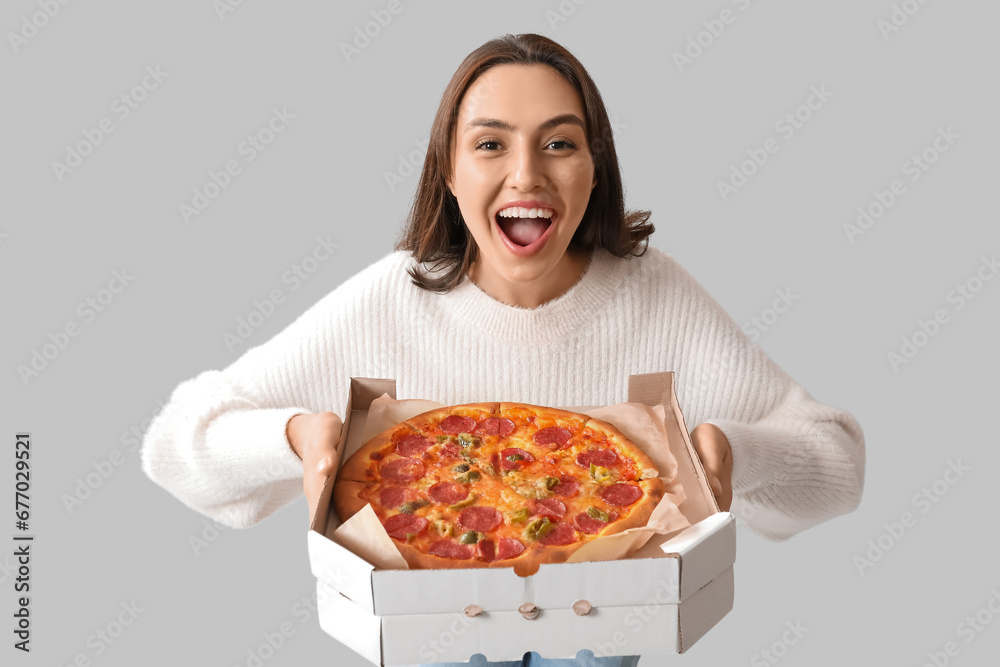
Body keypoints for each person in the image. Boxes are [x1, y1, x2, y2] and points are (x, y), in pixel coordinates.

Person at [141, 33, 865, 667]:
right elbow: (174, 444)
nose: (527, 175)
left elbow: (839, 461)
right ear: (450, 173)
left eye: (559, 142)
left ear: (595, 166)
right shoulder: (391, 297)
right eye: (491, 143)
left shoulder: (655, 294)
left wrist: (735, 453)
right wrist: (296, 438)